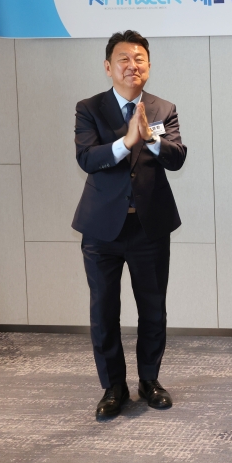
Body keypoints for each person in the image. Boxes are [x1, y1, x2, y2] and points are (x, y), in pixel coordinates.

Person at [71, 30, 187, 420]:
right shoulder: (89, 108)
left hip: (149, 227)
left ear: (148, 66)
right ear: (108, 67)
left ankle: (149, 380)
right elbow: (87, 158)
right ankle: (114, 387)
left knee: (153, 309)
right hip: (102, 228)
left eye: (139, 59)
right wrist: (126, 141)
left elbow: (177, 157)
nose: (131, 66)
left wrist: (149, 138)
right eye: (123, 59)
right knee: (104, 310)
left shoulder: (163, 108)